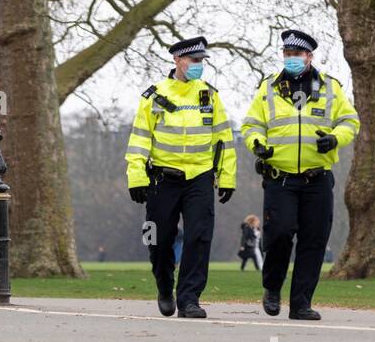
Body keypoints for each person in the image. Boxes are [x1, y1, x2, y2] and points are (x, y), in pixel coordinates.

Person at [241, 29, 360, 321]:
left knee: (314, 240)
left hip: (317, 178)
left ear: (309, 57)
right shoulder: (268, 88)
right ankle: (271, 287)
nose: (291, 58)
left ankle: (301, 303)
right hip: (280, 178)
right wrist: (258, 145)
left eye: (297, 54)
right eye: (287, 54)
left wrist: (335, 138)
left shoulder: (330, 87)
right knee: (279, 234)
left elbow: (349, 121)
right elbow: (251, 125)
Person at [125, 35, 237, 318]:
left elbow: (223, 140)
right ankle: (164, 286)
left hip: (200, 177)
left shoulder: (210, 95)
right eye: (194, 60)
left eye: (202, 61)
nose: (199, 65)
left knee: (199, 237)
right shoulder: (154, 96)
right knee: (159, 240)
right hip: (163, 179)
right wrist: (136, 176)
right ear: (177, 60)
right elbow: (140, 139)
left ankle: (189, 299)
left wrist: (227, 177)